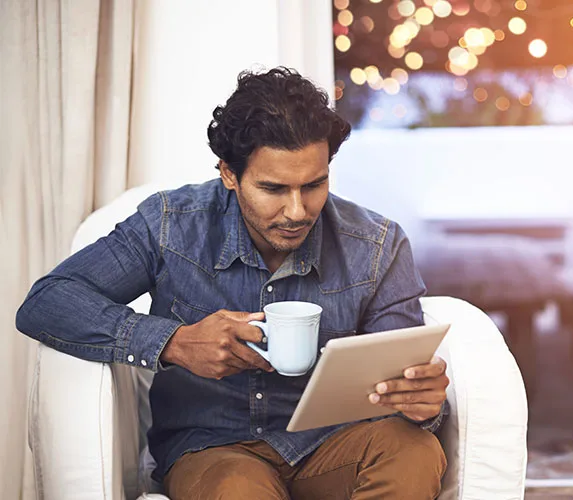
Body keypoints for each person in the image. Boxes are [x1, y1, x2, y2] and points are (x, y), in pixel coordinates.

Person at [16, 67, 449, 499]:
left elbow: (401, 383)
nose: (297, 211)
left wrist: (422, 404)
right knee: (238, 490)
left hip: (334, 446)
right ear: (228, 173)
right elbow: (48, 301)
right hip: (213, 449)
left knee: (415, 450)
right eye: (273, 188)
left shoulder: (375, 245)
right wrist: (174, 341)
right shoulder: (170, 225)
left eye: (314, 185)